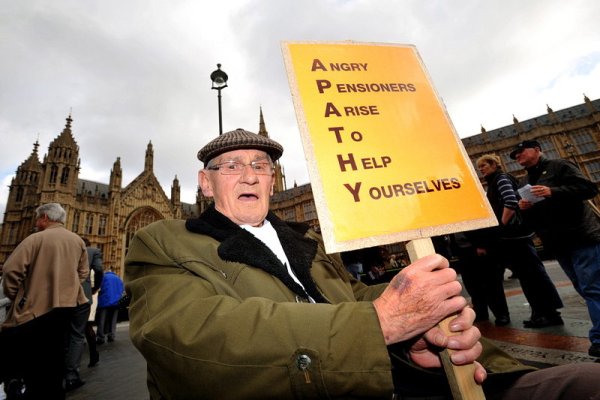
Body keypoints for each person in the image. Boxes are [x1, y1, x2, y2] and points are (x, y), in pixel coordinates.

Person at [125, 128, 600, 399]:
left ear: (274, 180)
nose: (249, 174)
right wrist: (380, 324)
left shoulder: (306, 240)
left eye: (261, 166)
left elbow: (352, 298)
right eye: (230, 167)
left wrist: (420, 317)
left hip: (414, 377)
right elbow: (188, 334)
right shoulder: (162, 240)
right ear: (204, 185)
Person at [511, 140, 600, 357]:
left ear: (538, 150)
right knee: (584, 288)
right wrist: (525, 208)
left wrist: (552, 191)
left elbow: (588, 188)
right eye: (514, 155)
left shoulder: (559, 165)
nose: (517, 156)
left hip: (581, 235)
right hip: (558, 243)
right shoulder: (525, 181)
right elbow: (535, 220)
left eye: (521, 151)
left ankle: (598, 339)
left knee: (592, 288)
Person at [1, 203, 89, 399]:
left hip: (35, 310)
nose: (36, 222)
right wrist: (67, 288)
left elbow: (10, 270)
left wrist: (18, 295)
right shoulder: (77, 240)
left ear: (45, 218)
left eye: (37, 218)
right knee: (56, 354)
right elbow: (83, 272)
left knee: (31, 358)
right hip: (66, 307)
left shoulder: (35, 239)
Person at [476, 154, 564, 328]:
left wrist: (501, 225)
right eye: (479, 168)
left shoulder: (500, 179)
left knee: (531, 276)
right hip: (517, 237)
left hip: (516, 237)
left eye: (483, 166)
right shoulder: (498, 180)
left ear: (494, 164)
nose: (481, 170)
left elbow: (510, 201)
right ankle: (546, 313)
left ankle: (545, 314)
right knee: (532, 275)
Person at [63, 238, 105, 391]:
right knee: (79, 333)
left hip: (60, 295)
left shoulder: (64, 249)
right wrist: (96, 287)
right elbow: (99, 270)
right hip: (83, 294)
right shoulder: (92, 251)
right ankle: (72, 375)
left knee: (65, 332)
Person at [450, 231, 510, 326]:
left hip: (479, 249)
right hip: (463, 251)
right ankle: (481, 312)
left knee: (491, 284)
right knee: (472, 284)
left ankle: (501, 314)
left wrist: (482, 245)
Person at [95, 267, 124, 344]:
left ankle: (100, 337)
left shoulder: (103, 277)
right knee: (113, 320)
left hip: (105, 301)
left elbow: (99, 288)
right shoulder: (118, 278)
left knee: (102, 320)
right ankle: (111, 335)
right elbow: (122, 289)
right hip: (116, 302)